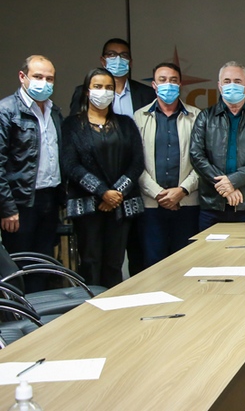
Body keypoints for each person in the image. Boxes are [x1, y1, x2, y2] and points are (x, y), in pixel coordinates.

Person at [61, 68, 144, 287]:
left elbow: (137, 162)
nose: (103, 91)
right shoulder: (71, 125)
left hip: (120, 204)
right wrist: (102, 192)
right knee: (90, 261)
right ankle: (90, 305)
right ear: (87, 91)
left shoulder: (126, 124)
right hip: (88, 207)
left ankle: (113, 306)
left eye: (109, 87)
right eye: (98, 87)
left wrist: (116, 194)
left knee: (114, 263)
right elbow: (70, 165)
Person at [0, 56, 64, 292]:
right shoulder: (6, 110)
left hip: (49, 199)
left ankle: (41, 310)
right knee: (18, 267)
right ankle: (20, 313)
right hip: (20, 203)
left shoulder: (54, 111)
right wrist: (7, 208)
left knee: (43, 264)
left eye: (49, 78)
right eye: (38, 77)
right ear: (22, 77)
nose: (44, 83)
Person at [190, 61, 245, 231]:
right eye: (227, 81)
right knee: (207, 249)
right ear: (219, 86)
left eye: (237, 81)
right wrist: (226, 188)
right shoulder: (205, 117)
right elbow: (196, 155)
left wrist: (233, 181)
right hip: (212, 204)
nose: (232, 85)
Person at [134, 63, 201, 267]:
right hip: (151, 205)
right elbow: (134, 162)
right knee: (153, 264)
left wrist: (182, 190)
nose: (168, 84)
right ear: (154, 85)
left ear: (180, 84)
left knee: (186, 263)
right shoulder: (139, 117)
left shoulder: (196, 116)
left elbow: (204, 160)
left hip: (187, 203)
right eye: (162, 80)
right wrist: (158, 193)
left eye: (173, 80)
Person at [68, 38, 155, 118]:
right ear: (103, 61)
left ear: (130, 62)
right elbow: (74, 125)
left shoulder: (147, 93)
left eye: (124, 55)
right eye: (112, 54)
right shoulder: (85, 92)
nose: (118, 59)